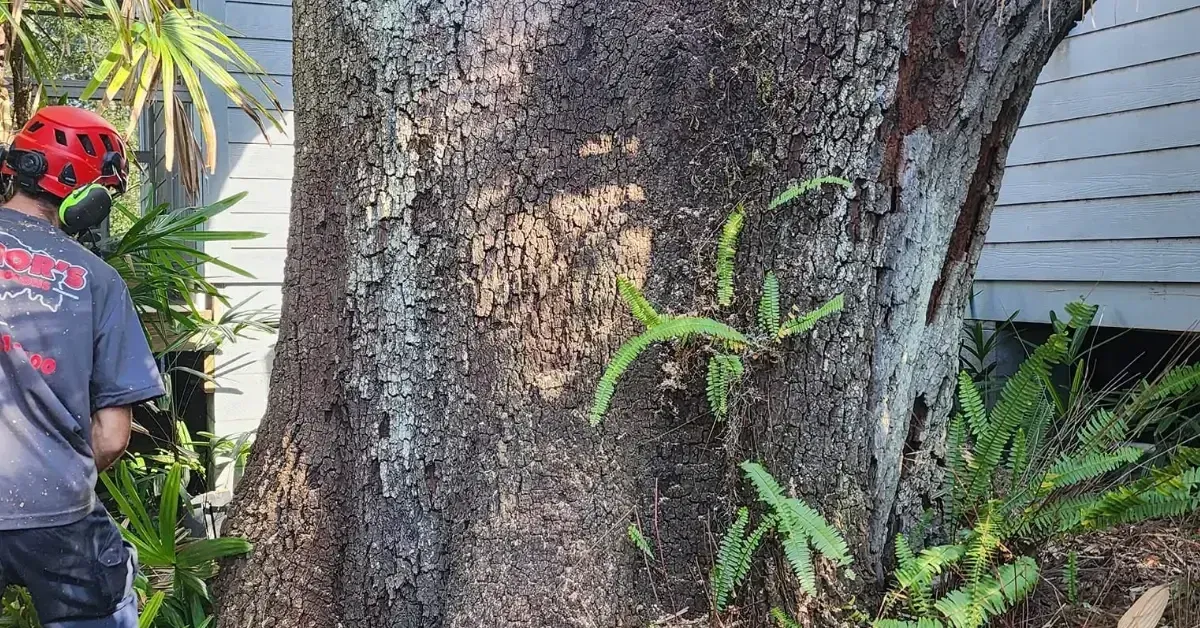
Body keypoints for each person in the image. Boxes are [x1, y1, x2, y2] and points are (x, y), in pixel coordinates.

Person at [0, 106, 164, 627]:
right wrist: (56, 471)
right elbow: (112, 436)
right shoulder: (99, 280)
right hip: (59, 513)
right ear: (85, 197)